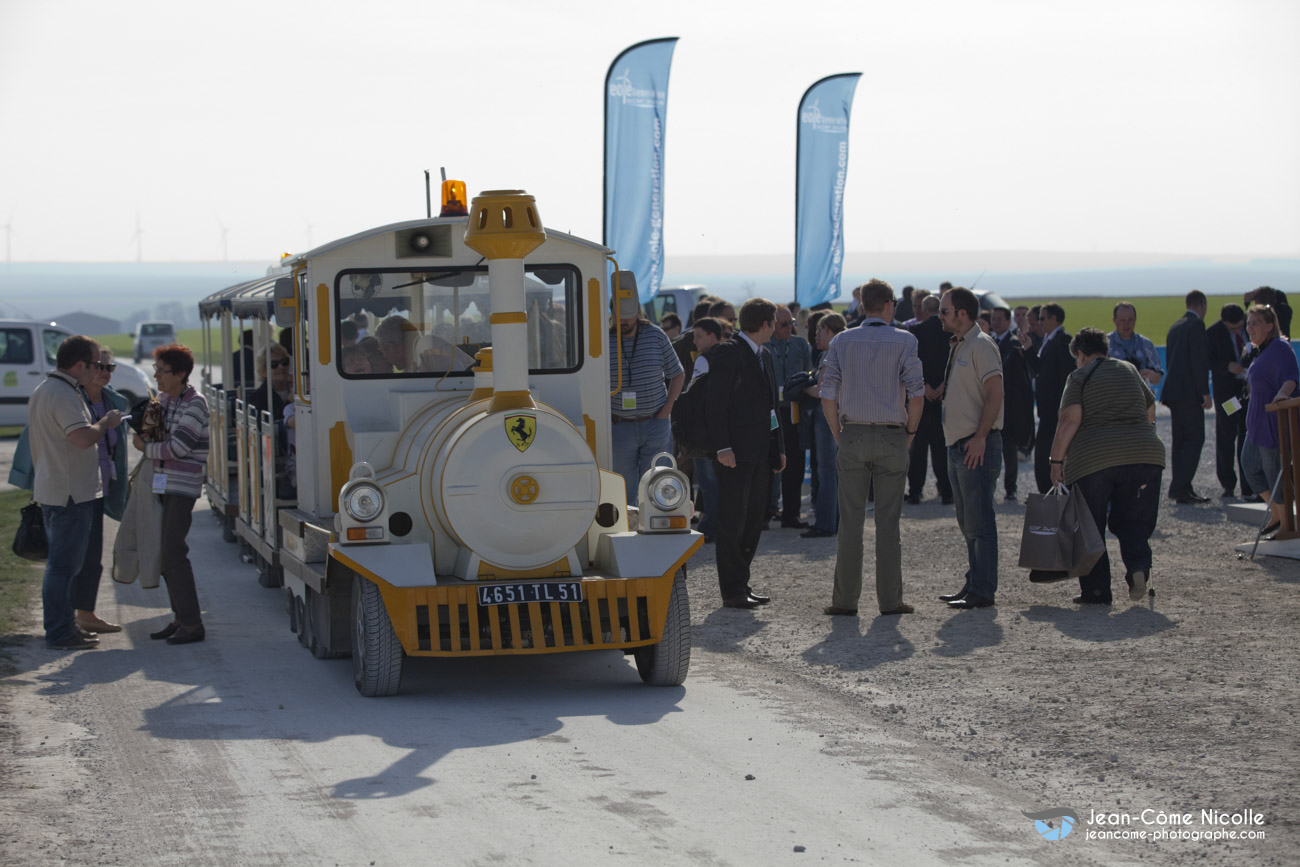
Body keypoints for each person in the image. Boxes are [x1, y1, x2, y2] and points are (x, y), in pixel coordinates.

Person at [818, 281, 924, 616]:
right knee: (888, 524)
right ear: (890, 305)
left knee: (850, 523)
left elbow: (827, 393)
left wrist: (838, 433)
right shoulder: (906, 340)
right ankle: (890, 601)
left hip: (853, 433)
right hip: (893, 433)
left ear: (863, 305)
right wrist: (910, 432)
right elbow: (917, 395)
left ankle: (845, 600)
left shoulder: (841, 340)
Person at [1048, 327, 1167, 605]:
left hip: (1094, 460)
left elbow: (1069, 420)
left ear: (1080, 354)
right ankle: (1138, 568)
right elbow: (1150, 409)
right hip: (1145, 456)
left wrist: (1056, 462)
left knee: (1090, 526)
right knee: (1133, 521)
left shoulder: (1078, 376)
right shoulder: (1129, 369)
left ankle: (1097, 591)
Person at [27, 335, 124, 650]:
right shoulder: (64, 394)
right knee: (63, 567)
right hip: (69, 493)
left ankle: (64, 627)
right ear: (80, 364)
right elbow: (82, 439)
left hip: (56, 488)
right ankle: (59, 632)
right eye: (96, 364)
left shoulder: (46, 389)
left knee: (64, 565)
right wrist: (105, 423)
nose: (98, 370)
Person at [704, 298, 785, 609]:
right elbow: (716, 404)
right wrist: (722, 445)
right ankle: (732, 590)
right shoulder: (729, 352)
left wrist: (778, 449)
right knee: (732, 521)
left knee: (753, 520)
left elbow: (772, 408)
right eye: (775, 321)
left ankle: (742, 583)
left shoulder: (764, 354)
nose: (777, 327)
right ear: (764, 324)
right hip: (734, 453)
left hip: (761, 452)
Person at [135, 344, 211, 645]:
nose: (157, 377)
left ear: (180, 373)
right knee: (166, 552)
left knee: (173, 551)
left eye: (162, 371)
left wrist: (145, 448)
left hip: (182, 486)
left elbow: (179, 446)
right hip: (165, 483)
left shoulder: (196, 404)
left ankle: (192, 623)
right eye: (156, 371)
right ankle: (181, 618)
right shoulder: (166, 400)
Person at [938, 288, 1004, 610]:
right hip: (959, 445)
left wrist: (980, 437)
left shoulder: (981, 345)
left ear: (962, 313)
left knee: (979, 522)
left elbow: (995, 392)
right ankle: (974, 584)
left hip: (976, 445)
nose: (941, 317)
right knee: (968, 522)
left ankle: (983, 590)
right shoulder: (962, 345)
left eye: (944, 311)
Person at [73, 345, 130, 634]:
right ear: (86, 366)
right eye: (100, 366)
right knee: (75, 555)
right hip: (77, 485)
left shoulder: (113, 400)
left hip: (101, 486)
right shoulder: (73, 398)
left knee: (92, 553)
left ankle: (84, 612)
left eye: (110, 368)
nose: (105, 373)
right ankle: (76, 615)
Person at [609, 308, 685, 507]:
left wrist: (667, 409)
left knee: (657, 484)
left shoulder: (656, 335)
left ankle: (655, 530)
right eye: (617, 313)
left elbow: (677, 374)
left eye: (627, 313)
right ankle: (629, 530)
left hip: (655, 424)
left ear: (637, 312)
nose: (622, 319)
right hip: (619, 426)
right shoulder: (604, 338)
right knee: (624, 488)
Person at [1240, 304, 1297, 533]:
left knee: (1275, 473)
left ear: (1270, 325)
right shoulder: (1261, 350)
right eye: (1248, 323)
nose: (1249, 328)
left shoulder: (1280, 347)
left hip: (1273, 423)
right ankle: (1276, 514)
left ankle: (1287, 524)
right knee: (1249, 466)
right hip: (1255, 424)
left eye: (1255, 323)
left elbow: (1291, 377)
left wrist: (1283, 393)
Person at [1161, 290, 1213, 503]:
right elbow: (1198, 362)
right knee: (1195, 438)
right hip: (1189, 393)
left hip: (1173, 392)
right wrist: (1205, 392)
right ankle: (1179, 486)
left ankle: (1183, 486)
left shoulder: (1176, 326)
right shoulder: (1196, 326)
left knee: (1180, 441)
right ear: (1202, 303)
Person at [801, 312, 847, 539]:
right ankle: (836, 520)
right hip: (844, 414)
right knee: (838, 470)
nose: (816, 335)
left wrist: (800, 388)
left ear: (829, 331)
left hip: (827, 415)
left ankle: (826, 523)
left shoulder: (829, 355)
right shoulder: (849, 352)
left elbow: (822, 391)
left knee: (827, 470)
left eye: (820, 330)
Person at [906, 294, 954, 505]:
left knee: (918, 447)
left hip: (921, 394)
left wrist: (924, 386)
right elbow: (954, 361)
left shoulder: (915, 332)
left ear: (925, 310)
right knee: (941, 446)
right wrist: (944, 385)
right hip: (945, 395)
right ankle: (946, 491)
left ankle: (916, 491)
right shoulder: (950, 334)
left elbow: (911, 363)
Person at [769, 304, 812, 528]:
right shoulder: (764, 347)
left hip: (794, 410)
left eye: (792, 323)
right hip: (771, 412)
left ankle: (791, 513)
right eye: (784, 324)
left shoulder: (800, 344)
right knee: (769, 462)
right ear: (772, 326)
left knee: (794, 462)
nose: (789, 328)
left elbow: (809, 372)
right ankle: (766, 512)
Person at [1206, 303, 1252, 499]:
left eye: (1239, 327)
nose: (1237, 331)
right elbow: (1207, 360)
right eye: (1232, 328)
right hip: (1228, 395)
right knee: (1227, 436)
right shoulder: (1213, 333)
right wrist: (1226, 367)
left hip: (1248, 391)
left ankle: (1249, 485)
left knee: (1247, 436)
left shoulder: (1251, 327)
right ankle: (1228, 484)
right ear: (1224, 323)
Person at [990, 306, 1033, 502]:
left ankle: (1011, 488)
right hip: (989, 402)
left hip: (1009, 404)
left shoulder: (1015, 345)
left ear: (1009, 322)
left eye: (1000, 319)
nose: (996, 322)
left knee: (1009, 448)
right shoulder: (986, 342)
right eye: (994, 319)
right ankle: (989, 487)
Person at [687, 317, 724, 541]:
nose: (694, 341)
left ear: (712, 335)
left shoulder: (703, 360)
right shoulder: (731, 355)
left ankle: (711, 527)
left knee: (708, 482)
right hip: (725, 430)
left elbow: (693, 395)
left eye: (698, 336)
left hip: (704, 431)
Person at [1028, 302, 1071, 494]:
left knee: (1049, 454)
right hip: (1046, 410)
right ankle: (1046, 494)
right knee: (1043, 455)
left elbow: (1066, 377)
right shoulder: (1048, 340)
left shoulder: (1063, 341)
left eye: (1042, 318)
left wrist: (1063, 407)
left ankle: (1051, 494)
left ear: (1054, 319)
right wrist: (1028, 349)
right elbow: (1039, 369)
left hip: (1055, 411)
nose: (1039, 322)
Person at [1107, 302, 1164, 386]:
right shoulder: (1105, 344)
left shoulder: (1146, 344)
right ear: (1114, 320)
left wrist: (1151, 375)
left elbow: (1157, 378)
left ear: (1135, 320)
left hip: (1140, 395)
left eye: (1130, 319)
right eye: (1122, 320)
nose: (1126, 324)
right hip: (1113, 395)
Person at [248, 342, 293, 422]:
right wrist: (289, 401)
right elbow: (263, 423)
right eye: (274, 364)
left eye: (284, 362)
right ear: (264, 371)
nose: (281, 367)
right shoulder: (258, 396)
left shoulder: (299, 388)